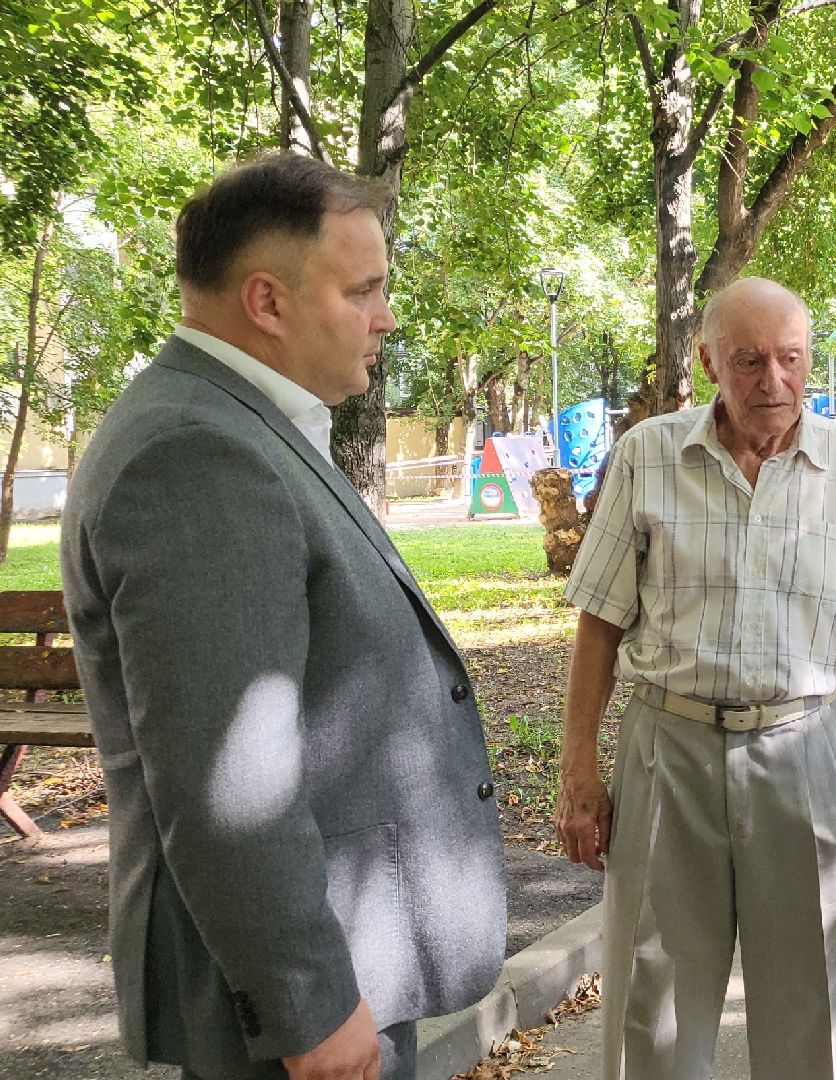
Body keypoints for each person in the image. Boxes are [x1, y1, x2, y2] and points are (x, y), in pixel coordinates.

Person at [59, 153, 507, 1080]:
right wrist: (308, 1003)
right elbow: (226, 779)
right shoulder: (195, 453)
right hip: (301, 1007)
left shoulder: (234, 424)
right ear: (266, 301)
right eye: (364, 291)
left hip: (344, 964)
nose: (387, 319)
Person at [554, 276, 836, 1080]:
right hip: (668, 747)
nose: (773, 382)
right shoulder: (649, 455)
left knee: (812, 1005)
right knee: (652, 1003)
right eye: (749, 361)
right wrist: (577, 767)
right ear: (708, 359)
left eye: (791, 360)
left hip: (806, 750)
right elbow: (599, 621)